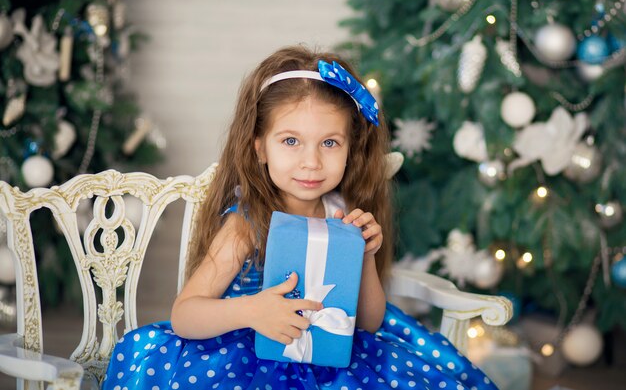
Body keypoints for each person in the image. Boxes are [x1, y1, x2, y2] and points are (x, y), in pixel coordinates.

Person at [103, 45, 498, 390]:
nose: (311, 162)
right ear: (259, 147)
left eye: (329, 142)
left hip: (334, 359)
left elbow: (368, 324)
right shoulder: (248, 222)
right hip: (246, 358)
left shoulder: (342, 214)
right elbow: (184, 314)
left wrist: (364, 257)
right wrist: (251, 311)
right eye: (290, 141)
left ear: (350, 148)